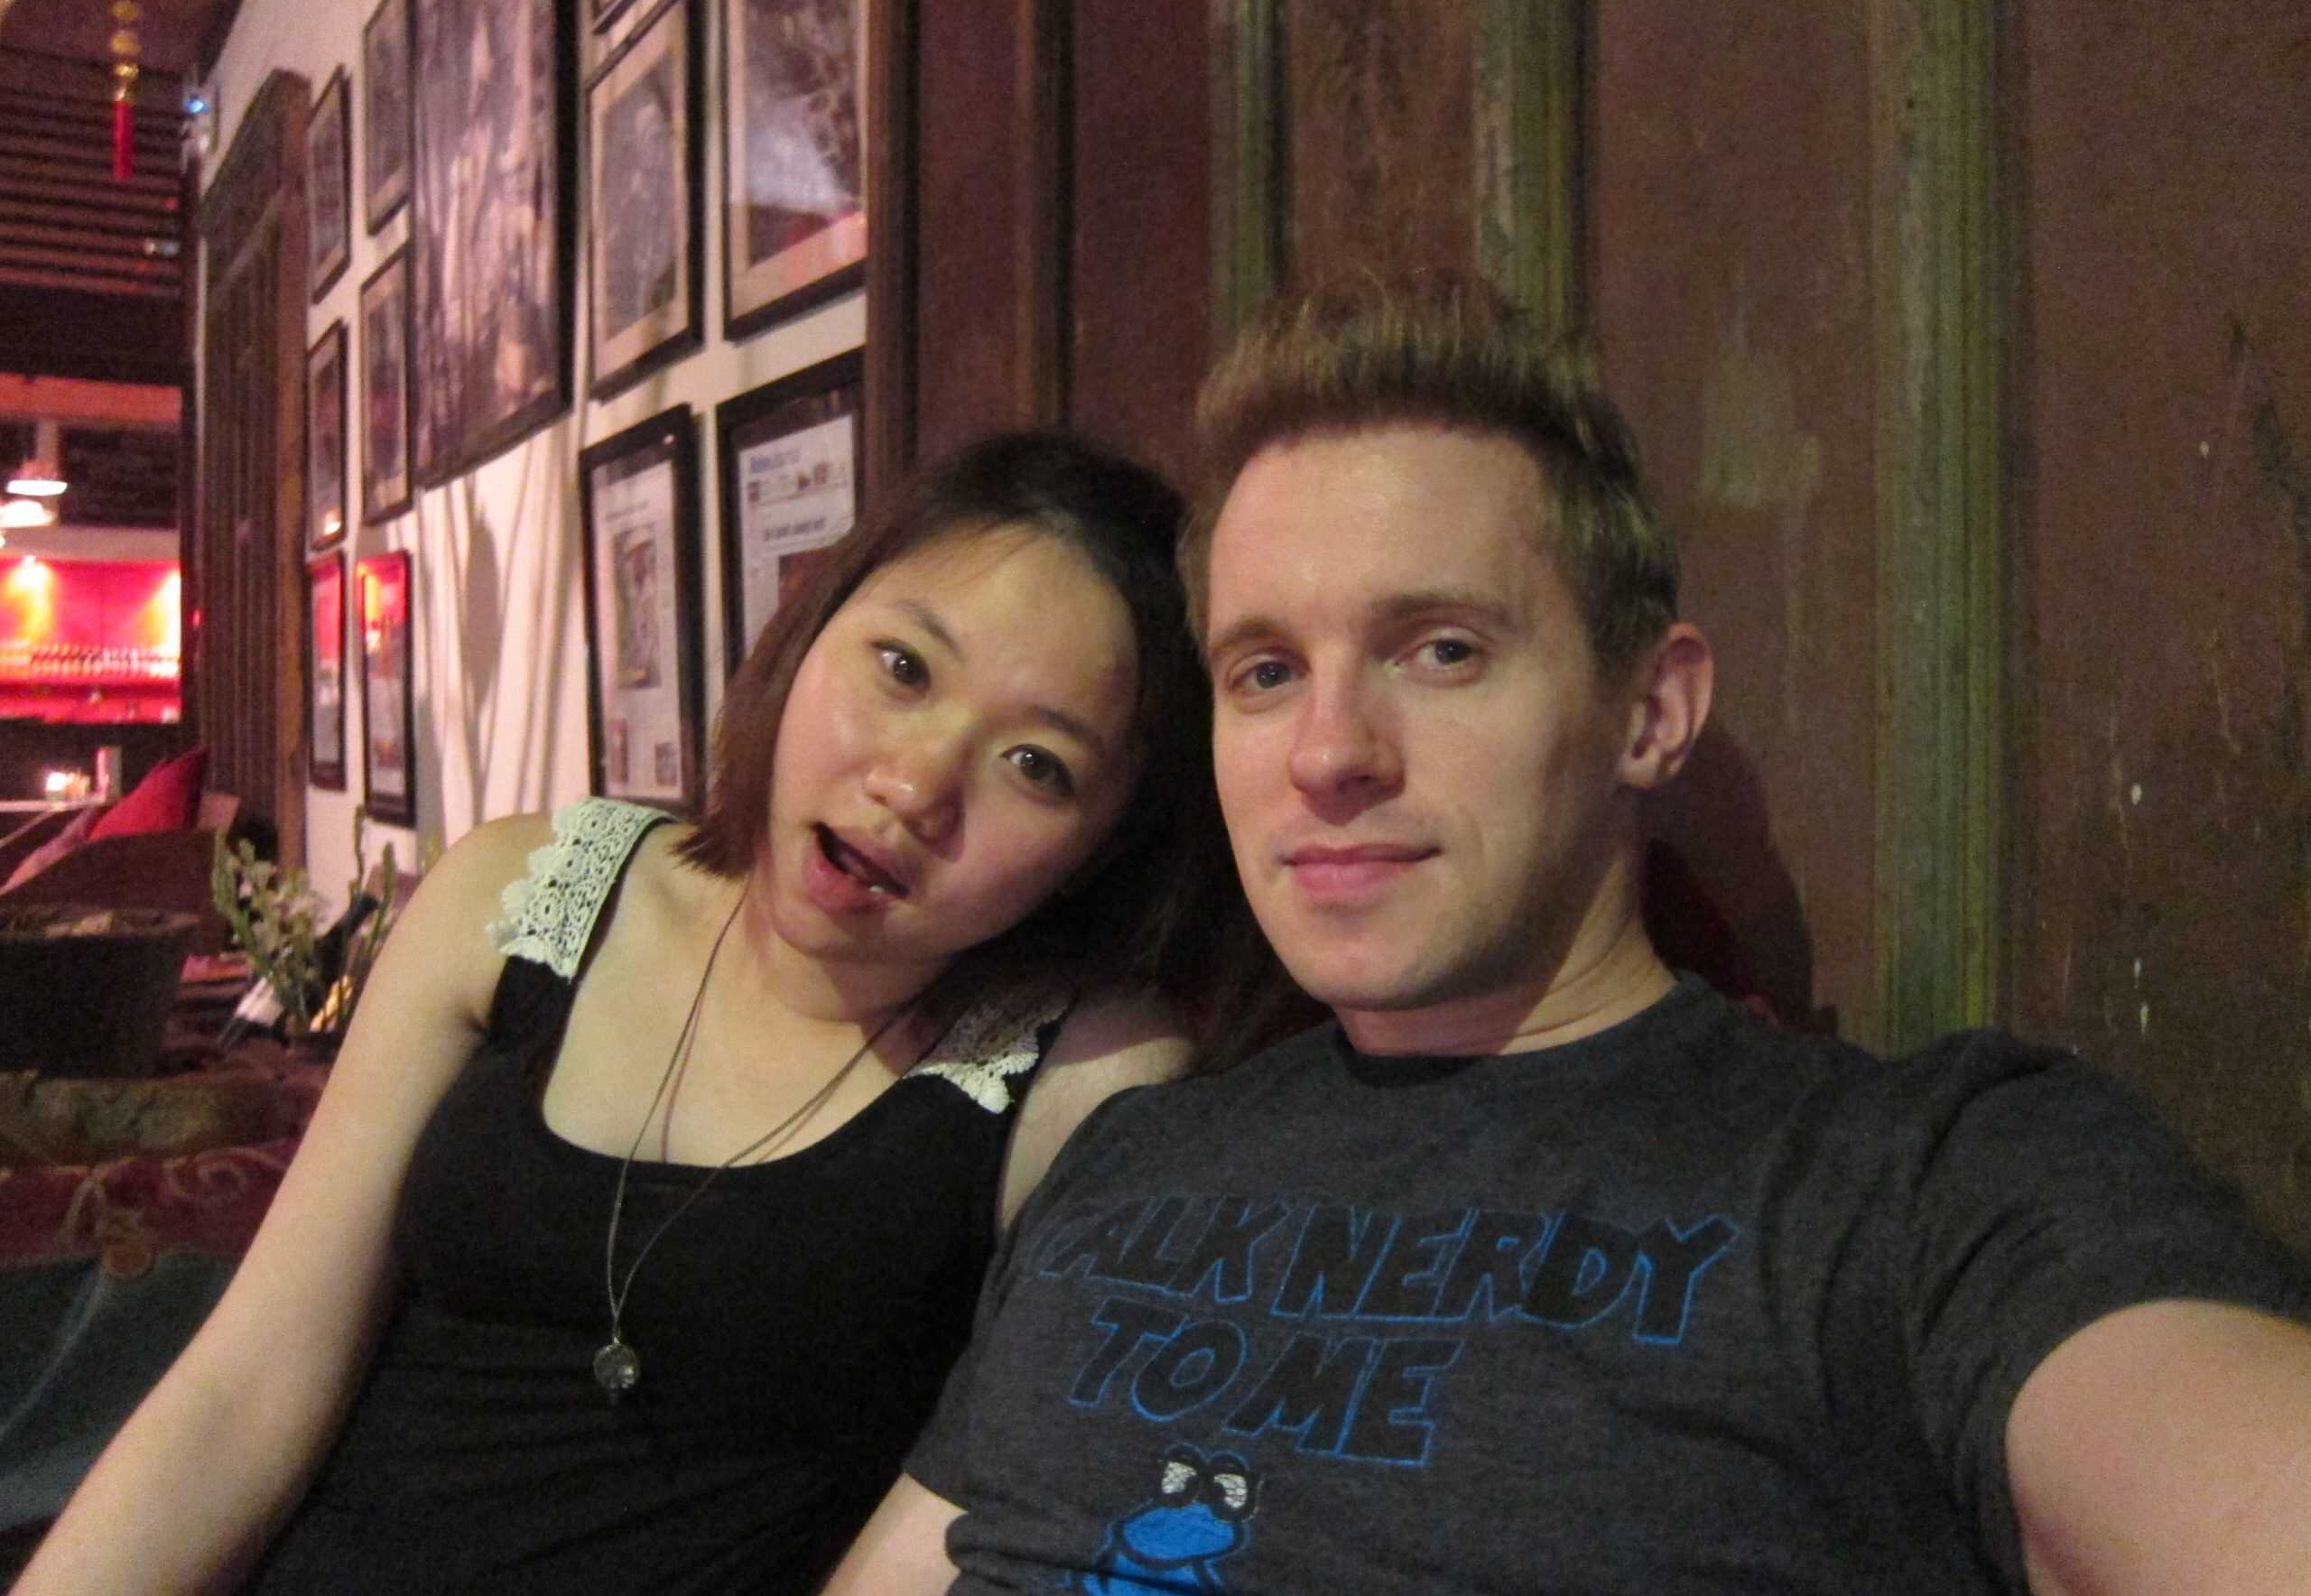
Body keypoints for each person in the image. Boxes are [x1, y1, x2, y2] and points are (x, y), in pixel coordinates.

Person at [827, 274, 2311, 1596]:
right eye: (1266, 670)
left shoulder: (1917, 1184)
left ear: (1650, 711)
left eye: (1441, 650)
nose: (1328, 753)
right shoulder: (1126, 1159)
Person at [15, 431, 1239, 1594]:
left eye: (1037, 766)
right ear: (810, 629)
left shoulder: (1087, 1083)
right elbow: (245, 1391)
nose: (916, 785)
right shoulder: (517, 897)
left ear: (1103, 848)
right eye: (904, 668)